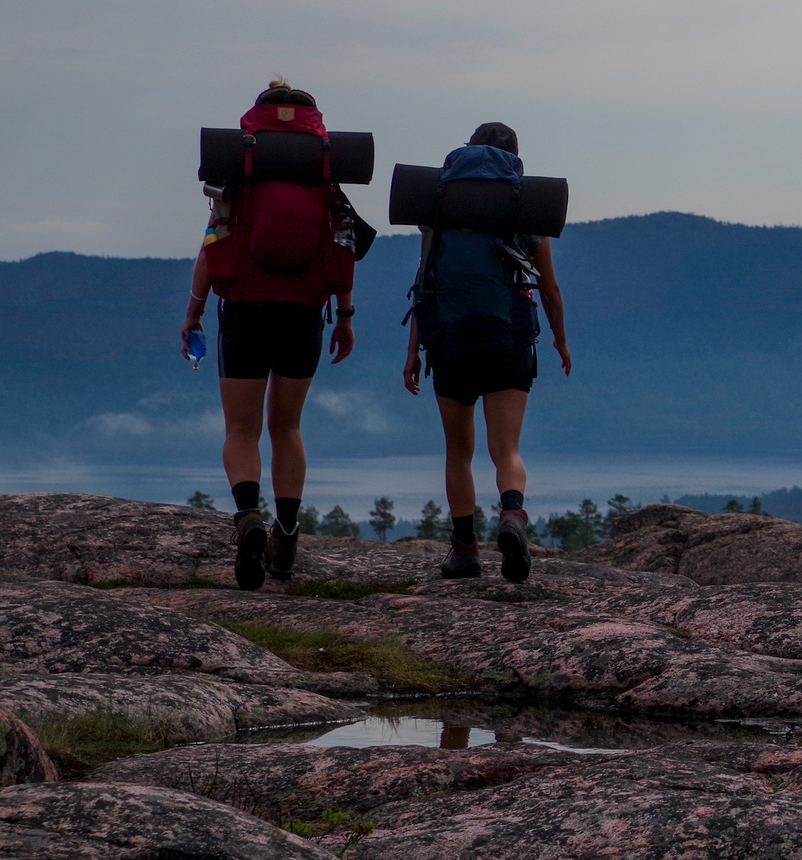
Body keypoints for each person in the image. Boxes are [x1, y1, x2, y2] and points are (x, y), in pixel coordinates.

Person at [181, 79, 359, 590]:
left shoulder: (240, 171)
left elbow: (213, 244)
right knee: (288, 428)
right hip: (304, 312)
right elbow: (343, 251)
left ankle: (248, 515)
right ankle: (286, 534)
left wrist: (194, 312)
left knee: (242, 431)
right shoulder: (325, 174)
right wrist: (344, 316)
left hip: (243, 309)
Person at [401, 123, 570, 582]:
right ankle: (513, 517)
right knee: (506, 449)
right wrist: (560, 339)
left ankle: (464, 551)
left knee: (459, 452)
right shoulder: (526, 207)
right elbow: (550, 290)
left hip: (450, 341)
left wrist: (413, 350)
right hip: (509, 340)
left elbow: (424, 285)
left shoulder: (439, 205)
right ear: (515, 157)